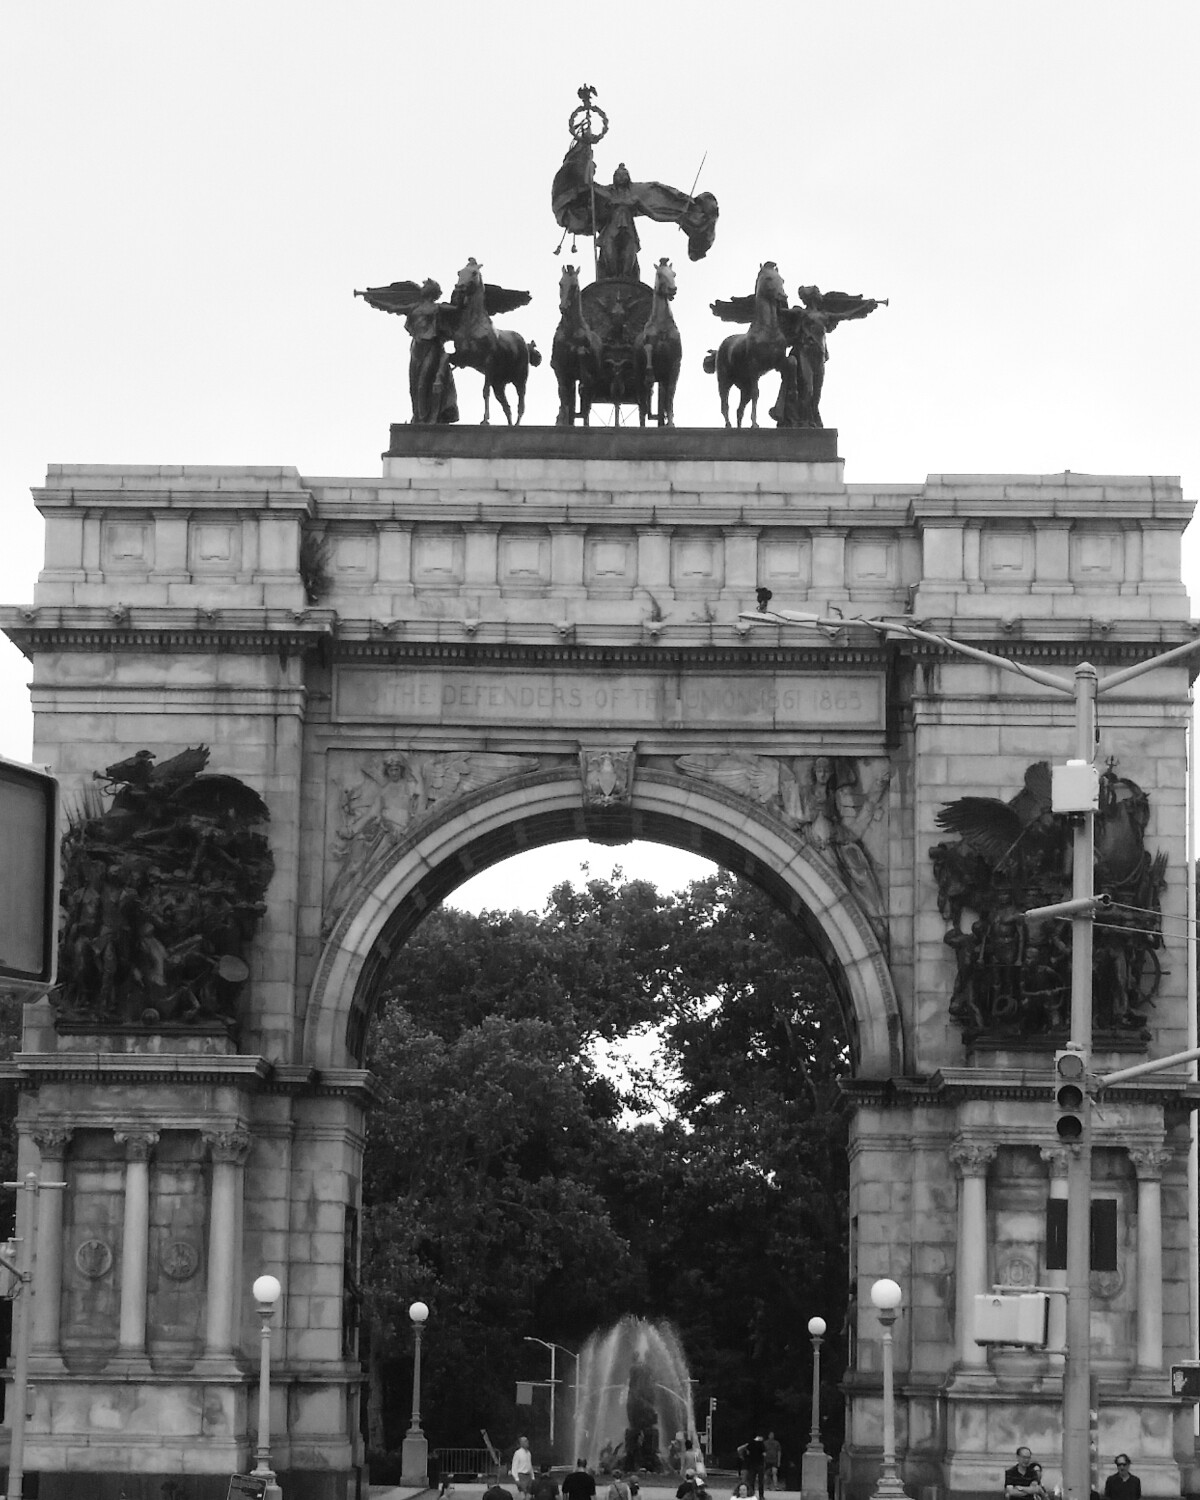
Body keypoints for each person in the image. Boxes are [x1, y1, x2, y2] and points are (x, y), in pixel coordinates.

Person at [405, 279, 459, 425]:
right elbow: (395, 308)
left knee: (423, 383)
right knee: (414, 385)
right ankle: (418, 416)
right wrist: (371, 298)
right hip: (417, 349)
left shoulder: (438, 308)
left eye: (425, 286)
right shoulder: (414, 308)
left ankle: (427, 418)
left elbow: (458, 309)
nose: (422, 288)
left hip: (432, 347)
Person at [739, 1435, 767, 1500]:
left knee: (752, 1481)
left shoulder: (750, 1444)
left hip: (752, 1465)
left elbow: (746, 1451)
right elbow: (764, 1454)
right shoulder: (761, 1444)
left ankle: (752, 1494)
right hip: (760, 1464)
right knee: (760, 1481)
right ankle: (761, 1496)